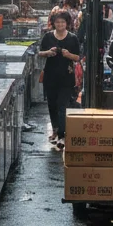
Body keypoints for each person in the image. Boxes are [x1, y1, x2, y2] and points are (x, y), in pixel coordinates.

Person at [38, 10, 81, 148]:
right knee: (52, 105)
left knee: (62, 106)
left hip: (66, 78)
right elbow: (40, 52)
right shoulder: (48, 37)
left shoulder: (72, 38)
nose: (60, 24)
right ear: (53, 23)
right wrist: (48, 52)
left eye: (62, 22)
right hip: (50, 76)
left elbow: (78, 57)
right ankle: (56, 130)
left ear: (67, 23)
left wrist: (68, 55)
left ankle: (62, 135)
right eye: (57, 22)